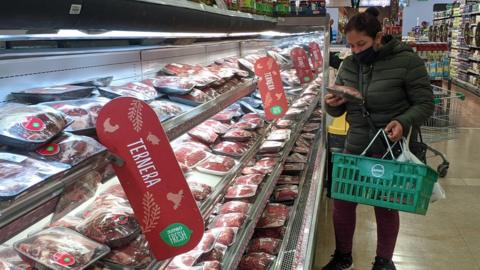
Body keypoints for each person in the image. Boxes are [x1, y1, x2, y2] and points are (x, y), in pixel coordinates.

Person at [322, 7, 434, 270]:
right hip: (356, 145)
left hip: (388, 148)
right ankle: (342, 256)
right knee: (343, 203)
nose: (357, 51)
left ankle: (384, 262)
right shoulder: (349, 64)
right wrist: (332, 104)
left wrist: (404, 122)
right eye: (352, 45)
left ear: (379, 36)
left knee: (384, 206)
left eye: (361, 44)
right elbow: (339, 109)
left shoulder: (408, 62)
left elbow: (426, 104)